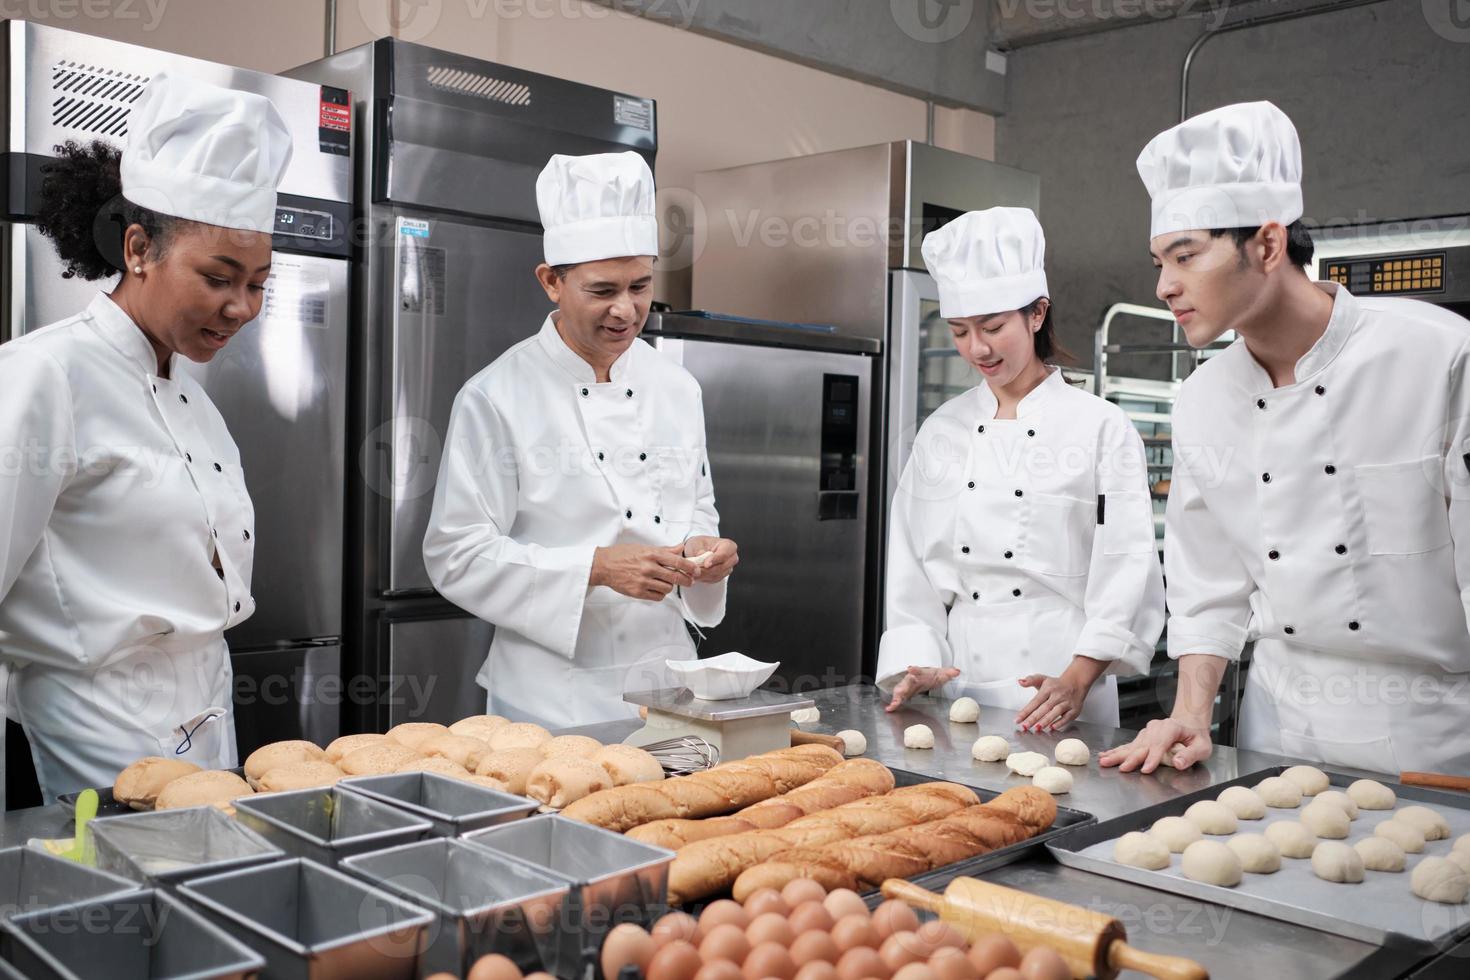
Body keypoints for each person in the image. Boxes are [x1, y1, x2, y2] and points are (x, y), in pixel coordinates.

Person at [1101, 101, 1470, 775]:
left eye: (1185, 256)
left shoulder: (1439, 357)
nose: (1164, 286)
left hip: (1434, 739)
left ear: (1268, 245)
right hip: (1276, 733)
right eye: (1158, 260)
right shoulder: (1204, 401)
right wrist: (1188, 713)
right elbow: (1208, 585)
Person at [0, 72, 291, 801]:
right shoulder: (44, 376)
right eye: (218, 277)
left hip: (206, 725)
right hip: (89, 741)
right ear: (138, 248)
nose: (241, 308)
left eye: (258, 283)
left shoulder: (194, 402)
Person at [423, 151, 738, 728]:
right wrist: (594, 567)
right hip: (549, 700)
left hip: (672, 685)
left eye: (641, 286)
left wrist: (707, 551)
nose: (626, 310)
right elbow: (457, 555)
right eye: (602, 290)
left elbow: (695, 505)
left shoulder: (676, 386)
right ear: (551, 282)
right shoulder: (496, 396)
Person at [878, 207, 1165, 729]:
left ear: (1037, 313)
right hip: (962, 679)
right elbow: (911, 563)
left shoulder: (1100, 427)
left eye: (992, 327)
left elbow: (1128, 565)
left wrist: (1079, 677)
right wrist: (917, 662)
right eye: (960, 331)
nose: (977, 349)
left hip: (1065, 679)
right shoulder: (942, 430)